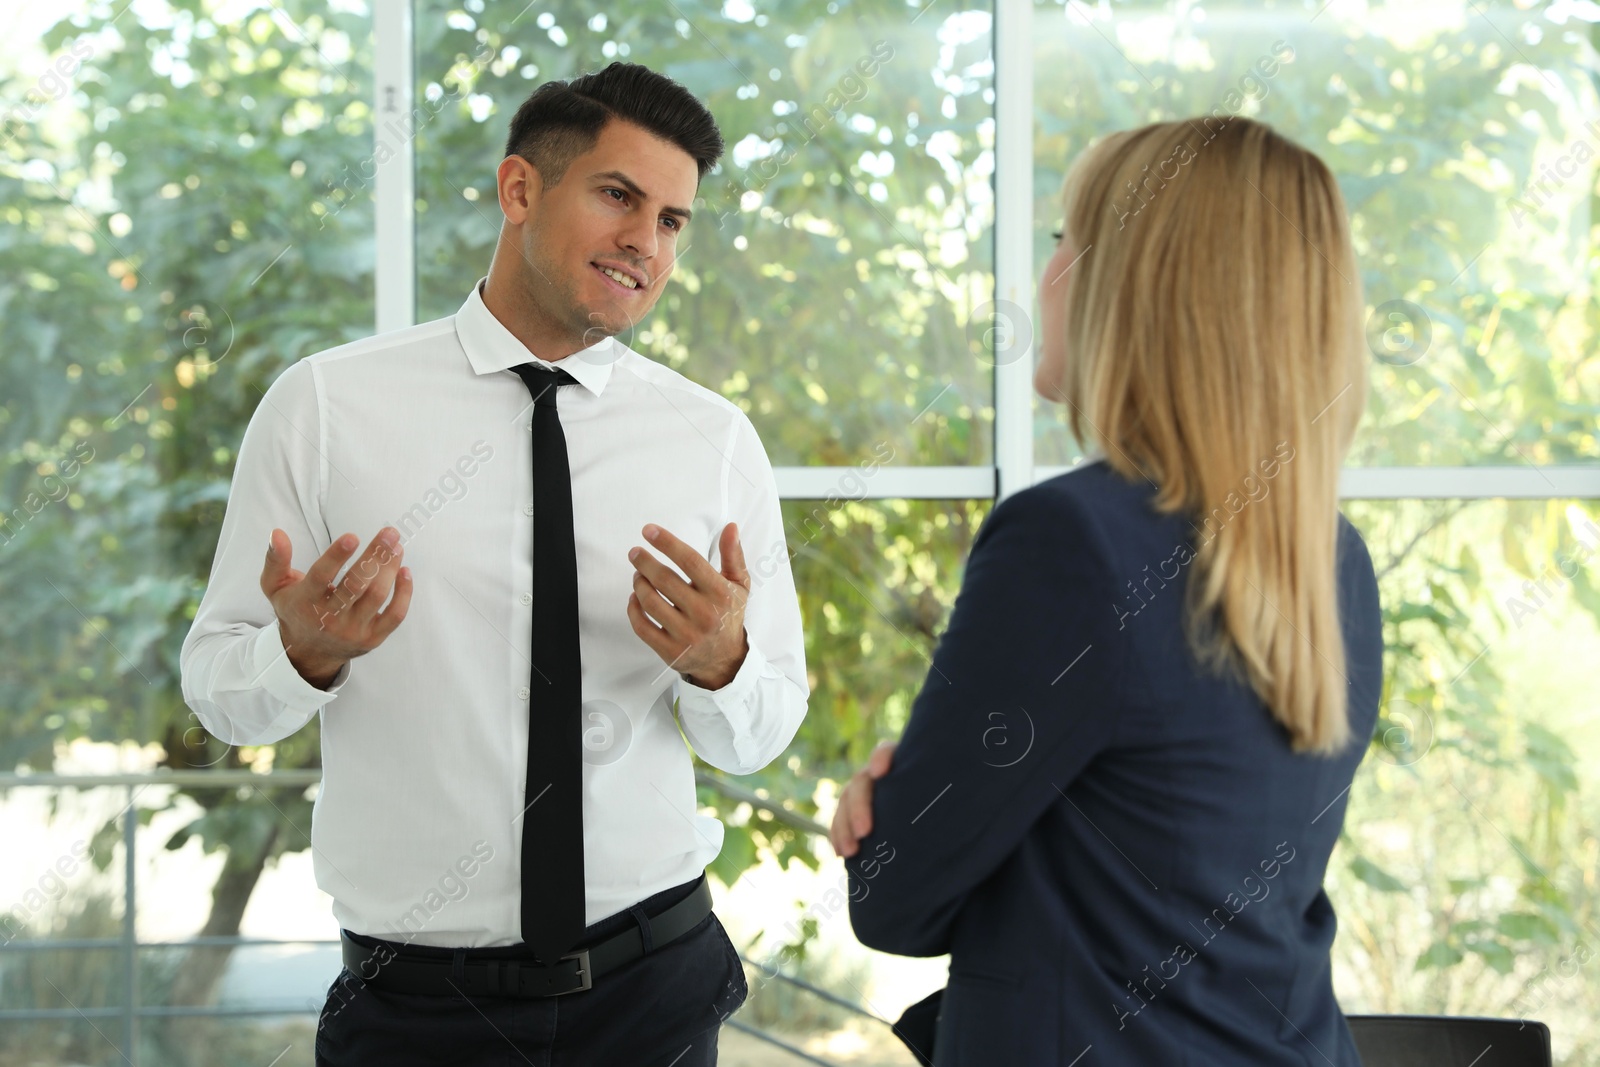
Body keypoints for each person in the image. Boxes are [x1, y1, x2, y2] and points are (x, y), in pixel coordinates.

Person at [180, 62, 809, 1066]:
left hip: (652, 989)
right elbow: (218, 697)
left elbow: (762, 734)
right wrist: (297, 655)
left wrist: (723, 663)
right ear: (520, 190)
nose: (646, 242)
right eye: (618, 196)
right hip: (418, 1012)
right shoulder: (327, 410)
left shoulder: (712, 437)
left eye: (675, 221)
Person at [830, 115, 1382, 1066]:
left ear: (1134, 289)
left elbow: (897, 899)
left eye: (1064, 243)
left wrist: (896, 806)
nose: (1045, 278)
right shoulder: (1333, 557)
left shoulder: (1071, 541)